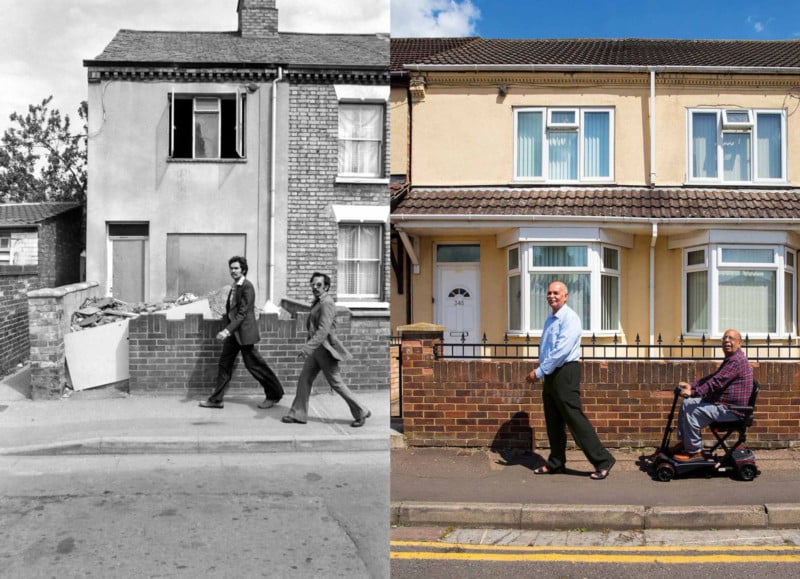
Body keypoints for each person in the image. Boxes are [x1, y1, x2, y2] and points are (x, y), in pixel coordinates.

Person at [525, 281, 616, 480]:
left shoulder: (570, 318)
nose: (551, 296)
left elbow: (561, 351)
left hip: (565, 372)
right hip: (552, 373)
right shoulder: (551, 319)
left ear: (566, 296)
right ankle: (556, 463)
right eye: (549, 292)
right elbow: (548, 350)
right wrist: (545, 371)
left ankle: (603, 460)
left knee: (575, 419)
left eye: (556, 293)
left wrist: (539, 371)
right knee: (553, 421)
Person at [282, 272, 371, 427]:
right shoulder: (318, 301)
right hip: (317, 350)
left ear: (326, 287)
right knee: (304, 379)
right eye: (313, 285)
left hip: (325, 350)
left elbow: (323, 330)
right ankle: (298, 414)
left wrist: (307, 347)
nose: (315, 288)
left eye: (319, 285)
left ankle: (361, 411)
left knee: (336, 383)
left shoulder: (326, 302)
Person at [200, 256, 284, 409]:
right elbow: (233, 310)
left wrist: (226, 330)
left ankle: (274, 394)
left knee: (255, 366)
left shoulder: (247, 287)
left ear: (243, 269)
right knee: (224, 364)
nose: (233, 271)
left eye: (236, 268)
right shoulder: (235, 286)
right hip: (234, 334)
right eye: (231, 268)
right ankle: (216, 400)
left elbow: (242, 313)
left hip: (244, 333)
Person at [672, 329, 754, 461]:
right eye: (724, 338)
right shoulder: (732, 359)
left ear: (739, 343)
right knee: (687, 403)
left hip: (731, 410)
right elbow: (714, 377)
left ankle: (695, 452)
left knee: (691, 411)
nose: (727, 340)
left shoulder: (736, 361)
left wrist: (694, 393)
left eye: (731, 338)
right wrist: (693, 385)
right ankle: (686, 443)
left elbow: (716, 383)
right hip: (724, 405)